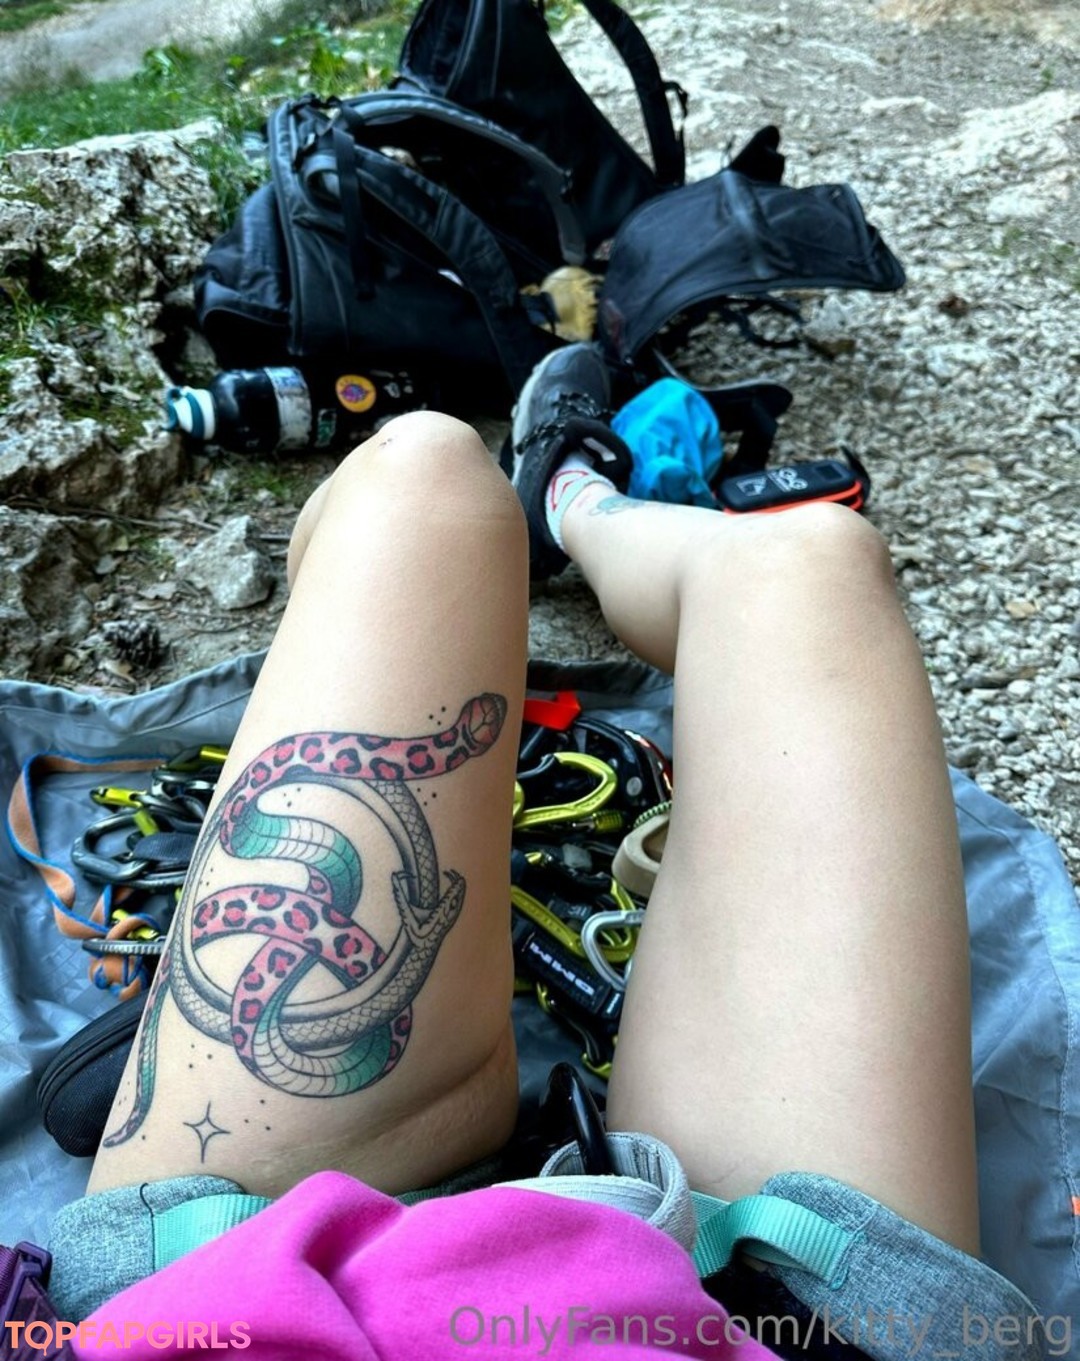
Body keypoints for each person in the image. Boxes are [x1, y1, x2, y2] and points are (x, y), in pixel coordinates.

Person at [42, 345, 1045, 1361]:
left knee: (420, 473)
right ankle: (575, 500)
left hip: (225, 1290)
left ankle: (559, 504)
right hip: (792, 1314)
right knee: (807, 559)